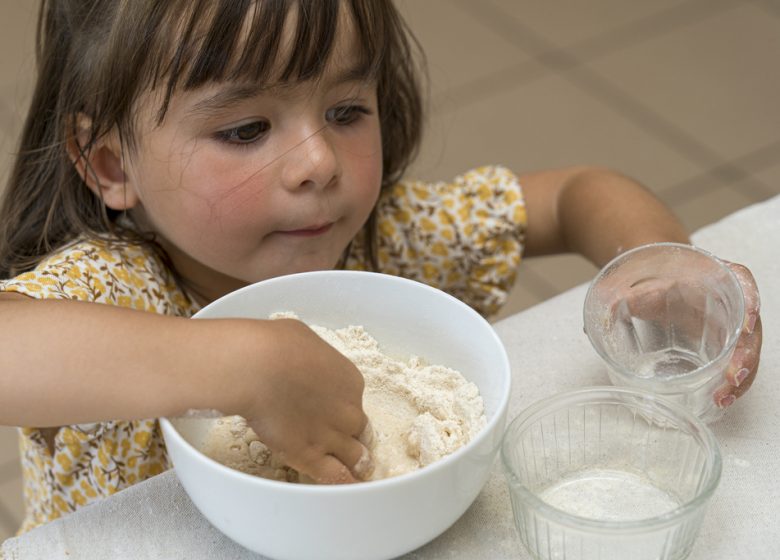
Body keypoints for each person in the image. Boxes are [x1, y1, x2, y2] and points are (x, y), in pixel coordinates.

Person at [0, 0, 762, 534]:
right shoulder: (114, 287)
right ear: (109, 164)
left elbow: (577, 195)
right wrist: (240, 361)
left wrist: (660, 265)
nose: (318, 162)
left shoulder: (385, 242)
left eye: (345, 111)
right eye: (245, 128)